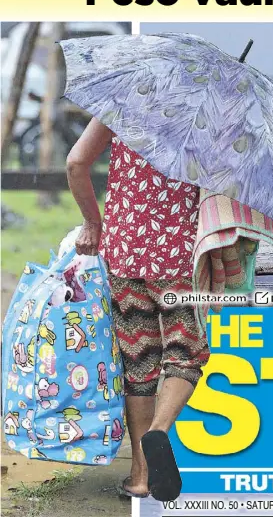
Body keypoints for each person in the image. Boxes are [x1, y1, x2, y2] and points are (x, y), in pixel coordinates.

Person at [66, 117, 210, 502]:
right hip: (181, 257)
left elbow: (76, 163)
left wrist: (92, 223)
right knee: (185, 355)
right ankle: (158, 432)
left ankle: (140, 478)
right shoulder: (209, 112)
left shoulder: (123, 103)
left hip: (125, 252)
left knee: (139, 363)